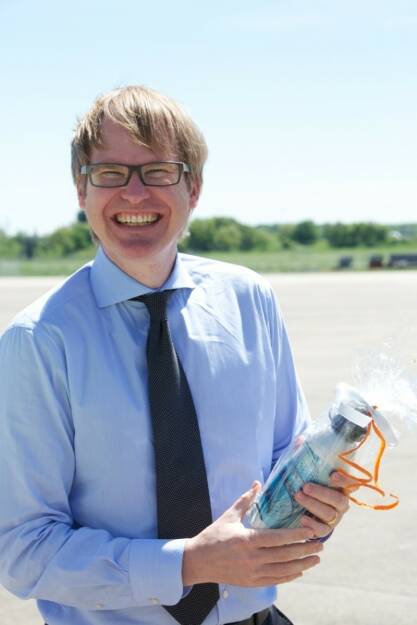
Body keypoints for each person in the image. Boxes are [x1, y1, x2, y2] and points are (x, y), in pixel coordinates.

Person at [0, 85, 352, 625]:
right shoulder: (40, 341)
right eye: (110, 173)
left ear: (194, 187)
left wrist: (318, 506)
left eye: (159, 171)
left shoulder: (249, 300)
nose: (135, 194)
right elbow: (22, 549)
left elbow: (290, 458)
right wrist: (190, 564)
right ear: (81, 189)